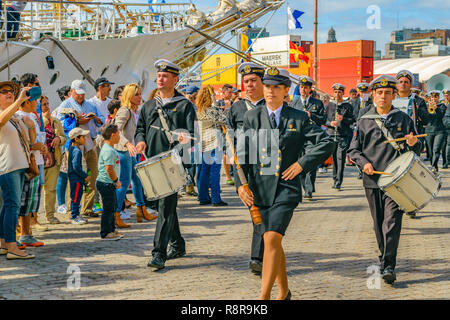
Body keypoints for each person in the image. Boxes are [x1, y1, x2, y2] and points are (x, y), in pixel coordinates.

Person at [236, 67, 334, 299]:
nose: (270, 91)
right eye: (267, 86)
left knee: (271, 238)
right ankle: (284, 292)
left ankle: (264, 298)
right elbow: (244, 153)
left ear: (286, 90)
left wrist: (301, 164)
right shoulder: (252, 116)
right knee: (274, 243)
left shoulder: (298, 117)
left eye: (276, 87)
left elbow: (326, 142)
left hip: (286, 188)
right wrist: (242, 185)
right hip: (259, 189)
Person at [348, 75, 421, 284]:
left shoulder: (403, 119)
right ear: (373, 95)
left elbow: (417, 148)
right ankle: (383, 257)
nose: (383, 96)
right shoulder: (364, 121)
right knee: (378, 223)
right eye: (379, 93)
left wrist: (414, 142)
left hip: (396, 181)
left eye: (387, 93)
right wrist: (364, 164)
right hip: (372, 180)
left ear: (393, 95)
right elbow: (353, 149)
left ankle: (389, 265)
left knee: (391, 222)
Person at [135, 59, 196, 270]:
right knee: (164, 207)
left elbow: (193, 135)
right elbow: (140, 128)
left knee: (165, 207)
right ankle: (177, 244)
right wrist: (140, 141)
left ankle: (158, 253)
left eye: (165, 76)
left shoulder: (184, 105)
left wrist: (184, 141)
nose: (160, 79)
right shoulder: (149, 105)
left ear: (174, 79)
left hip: (172, 163)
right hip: (152, 162)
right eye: (159, 76)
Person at [227, 62, 266, 275]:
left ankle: (257, 257)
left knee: (260, 213)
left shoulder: (270, 106)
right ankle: (262, 254)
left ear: (262, 82)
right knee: (256, 212)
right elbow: (229, 137)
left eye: (253, 81)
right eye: (246, 81)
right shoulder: (237, 107)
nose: (249, 85)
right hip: (244, 170)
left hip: (267, 168)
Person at [57, 80, 105, 218]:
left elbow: (101, 119)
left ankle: (87, 208)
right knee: (74, 176)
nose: (80, 97)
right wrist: (77, 121)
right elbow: (60, 123)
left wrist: (94, 117)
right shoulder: (65, 104)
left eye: (82, 94)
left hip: (90, 142)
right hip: (74, 144)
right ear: (72, 91)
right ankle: (73, 209)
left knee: (92, 174)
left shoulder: (90, 104)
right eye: (78, 94)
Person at [114, 83, 157, 227]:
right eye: (137, 94)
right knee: (124, 182)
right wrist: (127, 143)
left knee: (138, 181)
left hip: (132, 151)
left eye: (140, 94)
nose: (140, 97)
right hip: (123, 151)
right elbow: (116, 130)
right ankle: (116, 214)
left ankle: (141, 209)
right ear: (129, 96)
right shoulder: (124, 111)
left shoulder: (133, 111)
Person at [0, 82, 35, 259]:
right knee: (12, 205)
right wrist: (19, 101)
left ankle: (4, 243)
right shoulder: (4, 115)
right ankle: (12, 246)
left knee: (8, 205)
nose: (9, 94)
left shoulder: (14, 117)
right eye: (4, 91)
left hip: (18, 165)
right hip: (8, 166)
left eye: (11, 92)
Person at [292, 76, 326, 200]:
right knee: (299, 163)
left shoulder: (317, 103)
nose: (303, 90)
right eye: (301, 87)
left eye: (306, 87)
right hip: (297, 138)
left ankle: (309, 190)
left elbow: (323, 120)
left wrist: (311, 115)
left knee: (310, 163)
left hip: (311, 138)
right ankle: (304, 187)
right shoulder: (294, 103)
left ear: (310, 89)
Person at [195, 86, 228, 207]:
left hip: (203, 142)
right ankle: (216, 198)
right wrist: (216, 104)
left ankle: (203, 196)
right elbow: (225, 120)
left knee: (204, 170)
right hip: (215, 141)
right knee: (215, 171)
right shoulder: (212, 110)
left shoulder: (199, 110)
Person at [88, 77, 115, 215]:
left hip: (111, 142)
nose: (110, 89)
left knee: (111, 171)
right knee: (97, 173)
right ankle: (96, 202)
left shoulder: (112, 103)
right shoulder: (91, 103)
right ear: (100, 87)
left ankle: (110, 201)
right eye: (107, 86)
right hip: (98, 141)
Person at [324, 84, 355, 190]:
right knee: (334, 158)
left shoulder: (348, 106)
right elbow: (323, 119)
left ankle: (338, 181)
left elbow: (352, 120)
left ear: (343, 93)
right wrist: (330, 123)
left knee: (340, 158)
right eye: (336, 92)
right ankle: (335, 178)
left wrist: (343, 119)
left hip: (343, 135)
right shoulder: (328, 105)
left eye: (340, 92)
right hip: (331, 134)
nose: (337, 94)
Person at [42, 95, 66, 224]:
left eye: (47, 103)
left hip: (53, 159)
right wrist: (45, 120)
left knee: (51, 189)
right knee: (36, 191)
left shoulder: (55, 121)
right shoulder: (38, 121)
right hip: (38, 161)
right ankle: (33, 219)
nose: (47, 107)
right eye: (44, 104)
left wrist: (59, 139)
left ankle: (50, 215)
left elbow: (64, 137)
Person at [96, 124, 123, 240]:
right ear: (113, 135)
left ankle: (112, 229)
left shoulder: (110, 149)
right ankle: (105, 232)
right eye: (118, 134)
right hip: (106, 183)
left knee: (112, 206)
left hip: (109, 183)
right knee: (108, 208)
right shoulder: (108, 150)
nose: (119, 136)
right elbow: (109, 169)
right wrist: (116, 180)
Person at [67, 127, 91, 224]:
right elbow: (76, 166)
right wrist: (84, 175)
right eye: (83, 137)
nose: (85, 139)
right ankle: (75, 216)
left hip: (75, 178)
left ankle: (76, 214)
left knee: (77, 196)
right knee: (76, 197)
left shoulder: (73, 149)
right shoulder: (76, 151)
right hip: (76, 179)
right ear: (76, 139)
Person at [425, 90, 446, 173]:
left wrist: (436, 108)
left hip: (439, 131)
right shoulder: (427, 106)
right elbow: (426, 118)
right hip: (429, 130)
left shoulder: (442, 106)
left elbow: (441, 116)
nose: (434, 99)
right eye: (432, 97)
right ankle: (433, 165)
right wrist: (428, 109)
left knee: (436, 149)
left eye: (435, 97)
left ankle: (434, 166)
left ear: (438, 98)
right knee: (430, 151)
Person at [218, 84, 235, 184]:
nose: (231, 94)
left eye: (231, 92)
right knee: (226, 153)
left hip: (233, 131)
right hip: (223, 132)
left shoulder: (234, 103)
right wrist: (226, 109)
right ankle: (228, 177)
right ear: (223, 92)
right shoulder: (218, 103)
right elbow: (219, 119)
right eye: (229, 92)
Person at [443, 89, 450, 169]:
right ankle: (447, 162)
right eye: (445, 95)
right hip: (442, 128)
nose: (446, 97)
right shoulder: (441, 104)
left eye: (447, 95)